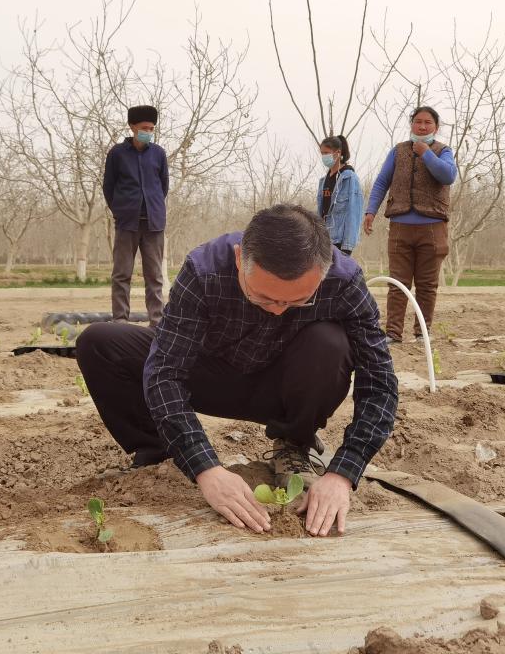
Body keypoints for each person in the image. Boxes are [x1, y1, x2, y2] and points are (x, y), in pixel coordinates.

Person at [75, 204, 398, 537]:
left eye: (297, 301)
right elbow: (165, 373)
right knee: (100, 343)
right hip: (210, 375)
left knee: (331, 343)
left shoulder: (344, 282)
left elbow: (380, 383)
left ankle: (293, 444)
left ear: (323, 273)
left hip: (285, 385)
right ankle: (161, 454)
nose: (278, 311)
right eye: (263, 297)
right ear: (240, 258)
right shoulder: (204, 270)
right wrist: (206, 469)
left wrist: (343, 474)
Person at [363, 106, 457, 342]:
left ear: (436, 127)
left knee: (427, 285)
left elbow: (448, 176)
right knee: (397, 283)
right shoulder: (398, 151)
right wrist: (371, 210)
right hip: (400, 228)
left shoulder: (443, 151)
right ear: (411, 125)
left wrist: (426, 153)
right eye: (418, 122)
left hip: (433, 228)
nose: (422, 126)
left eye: (427, 122)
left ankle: (422, 333)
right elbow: (381, 182)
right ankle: (393, 333)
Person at [103, 105, 169, 327]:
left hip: (154, 224)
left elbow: (163, 186)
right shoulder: (117, 154)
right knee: (121, 275)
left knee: (154, 276)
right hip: (127, 224)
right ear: (132, 127)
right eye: (144, 128)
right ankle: (120, 320)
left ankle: (157, 322)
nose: (148, 132)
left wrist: (153, 206)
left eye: (151, 128)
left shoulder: (159, 154)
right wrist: (121, 210)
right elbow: (109, 187)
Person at [317, 135, 364, 256]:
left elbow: (354, 213)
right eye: (322, 153)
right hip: (325, 239)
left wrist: (347, 246)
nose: (324, 156)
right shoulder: (323, 181)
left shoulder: (349, 178)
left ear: (338, 153)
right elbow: (321, 212)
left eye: (326, 153)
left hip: (340, 240)